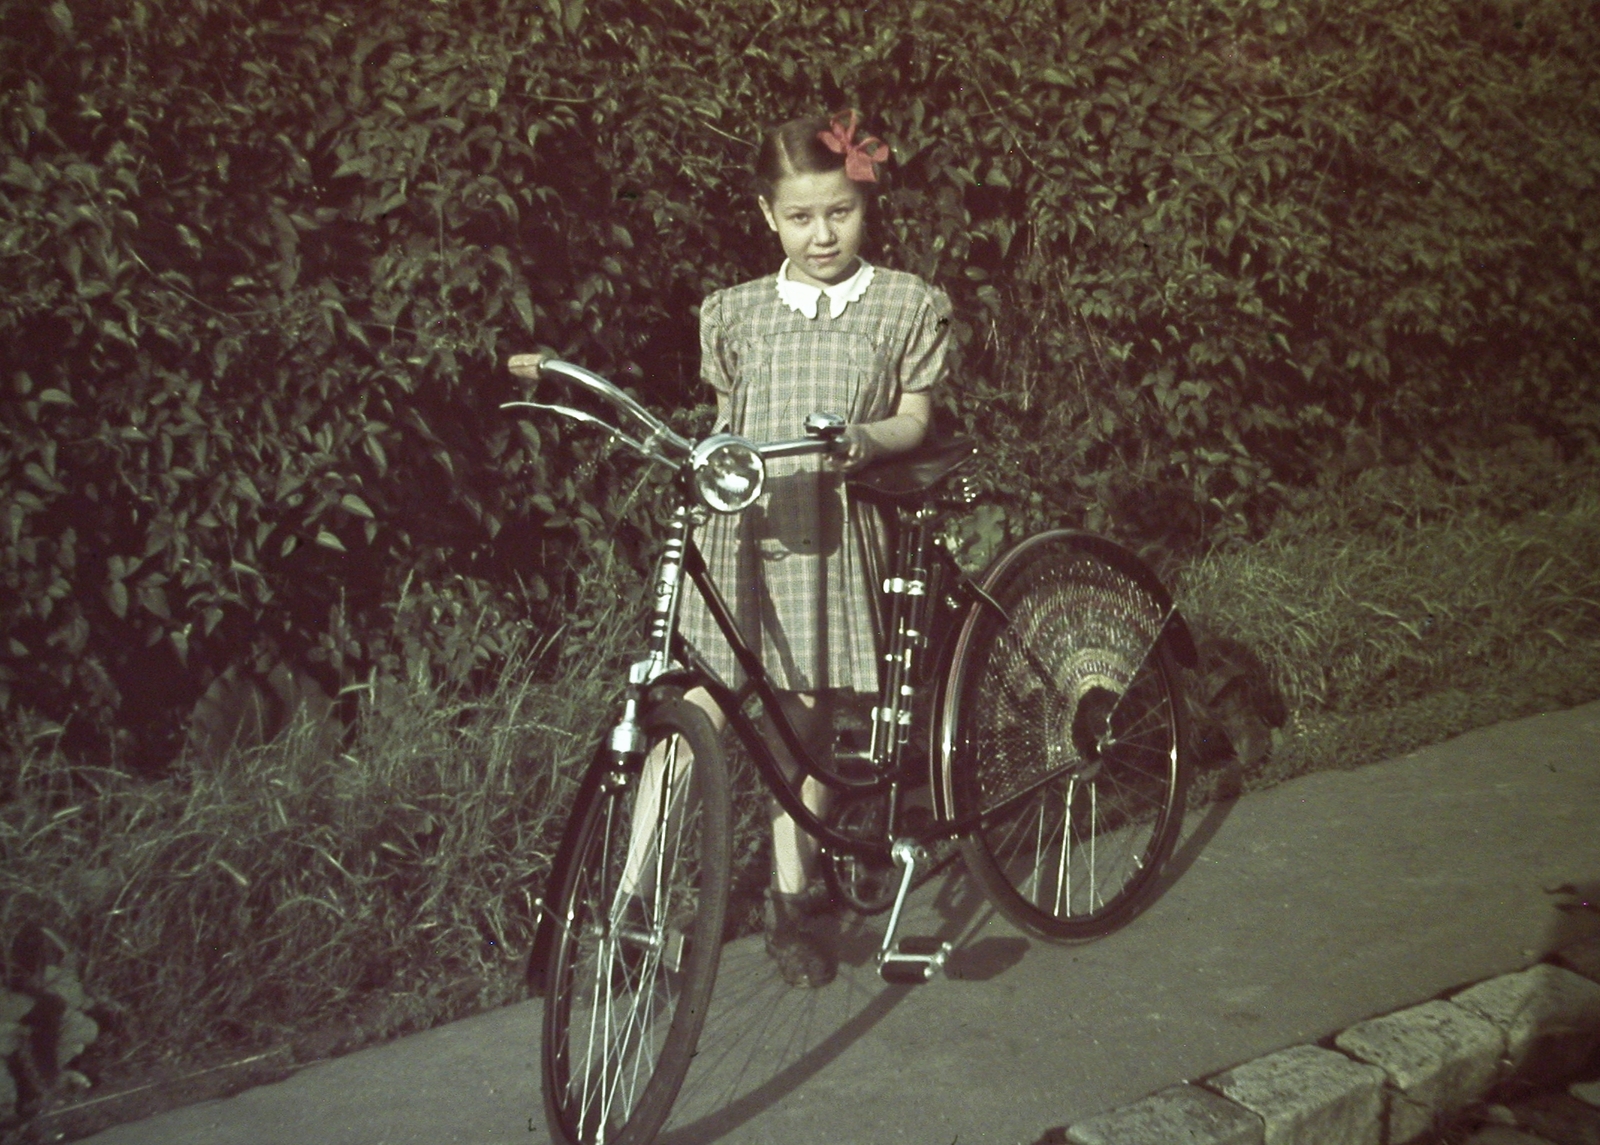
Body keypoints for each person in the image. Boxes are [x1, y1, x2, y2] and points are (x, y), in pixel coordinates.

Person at [672, 110, 953, 987]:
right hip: (742, 538)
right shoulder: (738, 312)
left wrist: (869, 440)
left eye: (838, 213)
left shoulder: (903, 301)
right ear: (768, 218)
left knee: (803, 716)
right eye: (801, 218)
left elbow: (915, 417)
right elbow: (726, 427)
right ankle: (628, 903)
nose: (821, 234)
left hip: (831, 536)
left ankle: (790, 903)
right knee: (694, 713)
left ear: (863, 205)